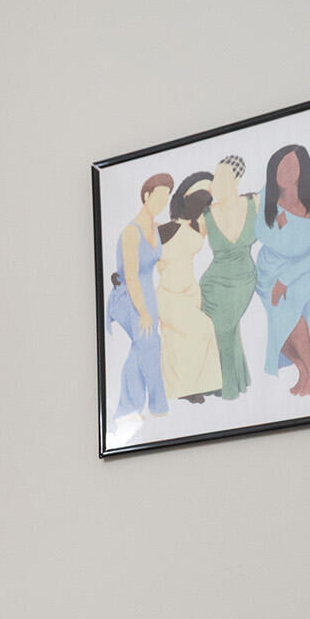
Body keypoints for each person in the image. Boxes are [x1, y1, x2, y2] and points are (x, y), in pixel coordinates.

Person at [253, 144, 310, 396]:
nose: (286, 173)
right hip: (270, 267)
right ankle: (305, 368)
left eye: (292, 167)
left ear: (304, 168)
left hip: (307, 267)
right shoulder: (268, 194)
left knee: (287, 303)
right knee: (281, 320)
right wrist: (278, 225)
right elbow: (261, 233)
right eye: (280, 167)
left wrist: (287, 278)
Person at [107, 173, 177, 430]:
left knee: (139, 352)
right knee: (150, 345)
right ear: (146, 196)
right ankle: (159, 407)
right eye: (158, 197)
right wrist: (144, 313)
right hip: (131, 299)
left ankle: (127, 410)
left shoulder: (153, 228)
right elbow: (133, 277)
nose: (162, 202)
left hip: (149, 296)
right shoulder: (130, 232)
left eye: (166, 198)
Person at [154, 173, 223, 402]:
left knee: (194, 336)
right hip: (170, 296)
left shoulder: (193, 229)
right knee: (191, 334)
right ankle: (182, 388)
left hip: (189, 294)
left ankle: (197, 385)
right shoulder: (166, 230)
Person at [197, 155, 258, 400]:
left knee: (225, 328)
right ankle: (233, 384)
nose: (214, 185)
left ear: (235, 179)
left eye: (220, 178)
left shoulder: (255, 203)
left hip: (244, 279)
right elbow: (187, 240)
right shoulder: (206, 214)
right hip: (213, 283)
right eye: (214, 179)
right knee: (224, 330)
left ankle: (228, 385)